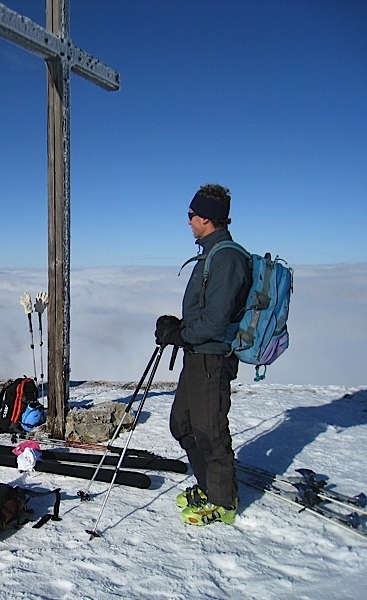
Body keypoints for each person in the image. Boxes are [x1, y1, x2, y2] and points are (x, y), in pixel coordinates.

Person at [155, 184, 252, 526]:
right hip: (197, 356)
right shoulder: (211, 252)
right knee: (182, 423)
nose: (189, 221)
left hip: (212, 359)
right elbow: (205, 312)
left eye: (191, 215)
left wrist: (182, 333)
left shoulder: (226, 257)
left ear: (207, 218)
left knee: (210, 432)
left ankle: (223, 502)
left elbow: (216, 320)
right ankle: (209, 486)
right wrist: (178, 325)